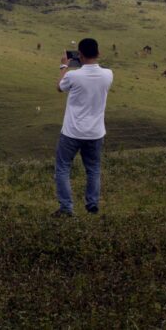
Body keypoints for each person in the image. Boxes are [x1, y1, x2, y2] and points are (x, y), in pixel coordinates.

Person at [53, 38, 113, 217]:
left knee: (63, 168)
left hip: (72, 131)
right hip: (95, 132)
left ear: (79, 55)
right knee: (93, 168)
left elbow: (59, 87)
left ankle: (66, 208)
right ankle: (92, 204)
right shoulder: (108, 74)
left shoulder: (73, 75)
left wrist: (64, 66)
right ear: (99, 53)